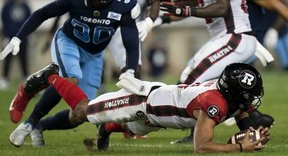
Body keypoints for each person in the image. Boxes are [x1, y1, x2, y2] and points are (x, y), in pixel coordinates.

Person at [2, 0, 140, 147]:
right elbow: (43, 13)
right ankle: (29, 122)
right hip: (69, 42)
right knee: (71, 79)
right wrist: (18, 37)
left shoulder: (124, 3)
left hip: (94, 55)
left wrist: (130, 70)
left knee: (82, 113)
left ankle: (40, 125)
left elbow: (131, 41)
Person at [152, 0, 275, 144]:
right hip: (232, 38)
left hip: (234, 37)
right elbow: (204, 1)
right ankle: (252, 126)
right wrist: (178, 2)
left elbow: (220, 8)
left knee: (190, 81)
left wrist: (185, 10)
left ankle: (196, 134)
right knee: (223, 86)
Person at [10, 61, 270, 153]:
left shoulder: (230, 96)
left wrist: (252, 136)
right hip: (143, 103)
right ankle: (51, 77)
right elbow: (201, 148)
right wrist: (238, 147)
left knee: (133, 127)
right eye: (247, 95)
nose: (251, 102)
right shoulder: (213, 103)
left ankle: (107, 129)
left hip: (158, 116)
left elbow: (243, 114)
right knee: (81, 112)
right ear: (233, 93)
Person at [0, 0, 31, 90]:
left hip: (22, 37)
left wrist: (28, 35)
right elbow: (5, 21)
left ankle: (25, 76)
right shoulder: (7, 5)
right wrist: (6, 36)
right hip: (10, 37)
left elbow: (30, 19)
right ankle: (5, 78)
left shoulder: (25, 5)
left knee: (24, 58)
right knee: (8, 59)